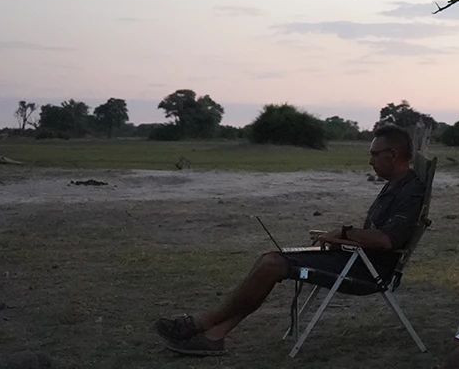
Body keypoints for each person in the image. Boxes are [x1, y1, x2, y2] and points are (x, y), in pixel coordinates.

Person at [151, 125, 427, 357]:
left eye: (375, 154)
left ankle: (205, 322)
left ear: (393, 154)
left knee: (272, 263)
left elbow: (387, 241)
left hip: (366, 271)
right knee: (268, 259)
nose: (370, 161)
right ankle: (214, 335)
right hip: (354, 258)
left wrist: (344, 233)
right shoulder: (394, 184)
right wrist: (340, 239)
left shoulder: (411, 190)